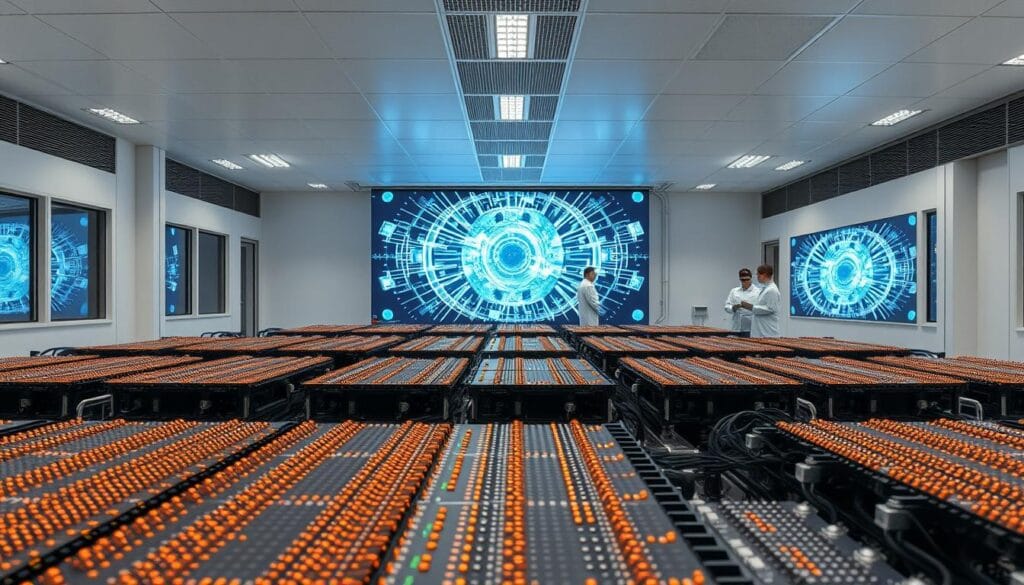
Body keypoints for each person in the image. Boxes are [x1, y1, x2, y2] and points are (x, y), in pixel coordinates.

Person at [742, 264, 781, 338]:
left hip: (768, 332)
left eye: (758, 275)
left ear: (764, 275)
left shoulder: (772, 290)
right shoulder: (765, 289)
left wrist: (751, 307)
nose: (757, 278)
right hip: (761, 331)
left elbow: (771, 309)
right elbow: (762, 305)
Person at [724, 268, 759, 336]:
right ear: (740, 279)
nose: (745, 282)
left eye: (747, 279)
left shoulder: (758, 292)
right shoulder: (734, 291)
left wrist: (749, 306)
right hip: (736, 327)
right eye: (743, 280)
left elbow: (760, 309)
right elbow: (727, 306)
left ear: (751, 279)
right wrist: (733, 308)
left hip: (751, 328)